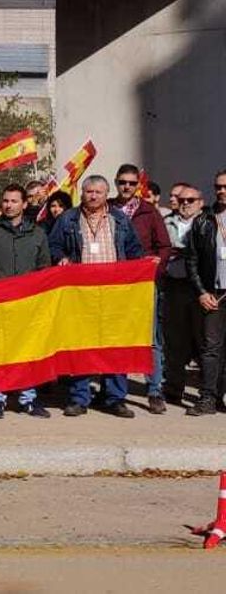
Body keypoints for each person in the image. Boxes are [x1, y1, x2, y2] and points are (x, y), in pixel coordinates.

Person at [48, 176, 143, 418]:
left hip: (115, 294)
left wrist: (140, 270)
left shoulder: (119, 219)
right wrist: (61, 258)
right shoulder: (67, 219)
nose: (93, 196)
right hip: (80, 294)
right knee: (81, 345)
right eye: (89, 191)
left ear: (106, 194)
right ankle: (80, 398)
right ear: (82, 193)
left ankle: (114, 399)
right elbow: (53, 246)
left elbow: (134, 251)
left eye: (98, 192)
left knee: (115, 345)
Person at [0, 184, 53, 418]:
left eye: (14, 201)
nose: (9, 205)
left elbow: (45, 268)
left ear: (25, 204)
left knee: (28, 351)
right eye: (5, 200)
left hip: (28, 303)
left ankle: (28, 399)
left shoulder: (37, 234)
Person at [111, 164, 173, 414]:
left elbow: (165, 247)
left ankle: (154, 390)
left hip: (144, 284)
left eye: (131, 183)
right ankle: (115, 392)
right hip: (115, 285)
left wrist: (155, 268)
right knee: (118, 338)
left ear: (139, 186)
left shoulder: (149, 212)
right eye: (122, 182)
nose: (126, 187)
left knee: (150, 339)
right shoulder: (108, 209)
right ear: (116, 183)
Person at [182, 172, 226, 415]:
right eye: (218, 187)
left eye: (225, 187)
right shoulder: (204, 220)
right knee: (211, 348)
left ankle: (223, 395)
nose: (221, 191)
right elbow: (192, 260)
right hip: (214, 294)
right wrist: (200, 291)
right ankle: (208, 398)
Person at [161, 184, 204, 408]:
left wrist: (185, 252)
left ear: (200, 203)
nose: (185, 204)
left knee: (204, 341)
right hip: (174, 286)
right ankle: (173, 389)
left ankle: (209, 393)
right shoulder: (167, 223)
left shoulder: (208, 223)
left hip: (200, 289)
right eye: (182, 199)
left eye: (190, 200)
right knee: (175, 341)